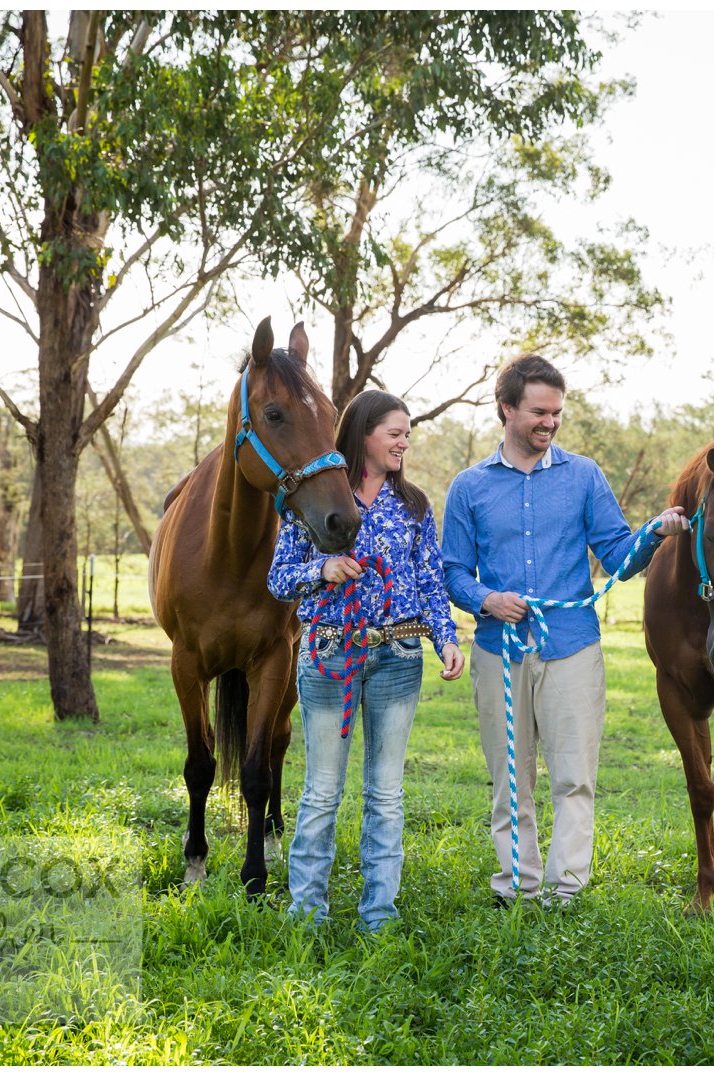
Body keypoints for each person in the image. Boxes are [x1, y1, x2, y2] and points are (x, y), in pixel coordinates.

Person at [442, 354, 687, 906]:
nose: (549, 422)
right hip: (497, 651)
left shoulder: (584, 477)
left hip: (572, 647)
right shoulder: (469, 487)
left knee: (574, 778)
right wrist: (486, 598)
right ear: (506, 409)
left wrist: (652, 534)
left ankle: (565, 891)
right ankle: (516, 887)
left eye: (556, 413)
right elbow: (451, 569)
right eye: (538, 412)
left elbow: (618, 555)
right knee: (511, 783)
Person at [268, 389, 465, 932]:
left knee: (386, 793)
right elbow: (279, 578)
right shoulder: (312, 501)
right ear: (363, 435)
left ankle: (379, 916)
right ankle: (307, 916)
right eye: (394, 432)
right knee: (322, 791)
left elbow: (429, 579)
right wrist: (322, 571)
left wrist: (444, 636)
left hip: (398, 656)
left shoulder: (416, 506)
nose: (404, 441)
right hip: (331, 651)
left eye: (407, 433)